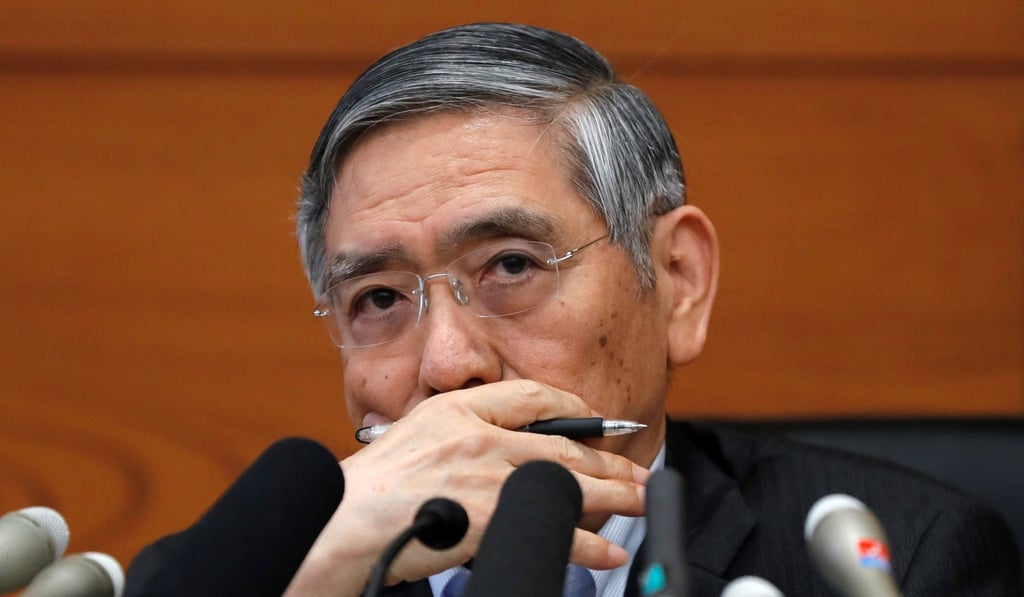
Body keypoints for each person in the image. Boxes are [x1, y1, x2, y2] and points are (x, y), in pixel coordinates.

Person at [130, 22, 1023, 596]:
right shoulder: (240, 575)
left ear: (676, 279)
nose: (445, 365)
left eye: (511, 263)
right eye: (377, 298)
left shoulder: (897, 561)